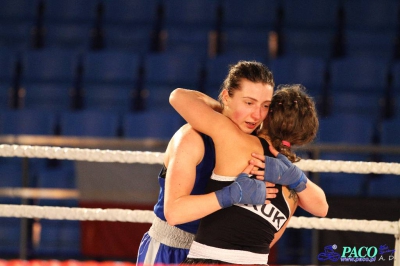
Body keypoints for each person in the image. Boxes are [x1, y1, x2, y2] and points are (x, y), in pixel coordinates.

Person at [137, 61, 328, 265]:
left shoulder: (261, 154)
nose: (256, 115)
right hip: (170, 250)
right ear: (227, 96)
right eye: (248, 103)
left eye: (265, 106)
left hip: (215, 253)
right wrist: (230, 195)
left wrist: (296, 177)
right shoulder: (193, 137)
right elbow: (174, 213)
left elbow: (320, 207)